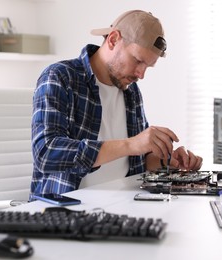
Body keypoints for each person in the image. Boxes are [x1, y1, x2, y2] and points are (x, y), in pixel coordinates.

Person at [30, 9, 203, 197]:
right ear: (113, 39)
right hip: (67, 210)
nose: (141, 74)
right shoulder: (60, 77)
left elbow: (135, 159)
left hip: (123, 203)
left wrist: (165, 162)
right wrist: (131, 144)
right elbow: (46, 152)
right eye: (137, 60)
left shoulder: (131, 91)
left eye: (147, 66)